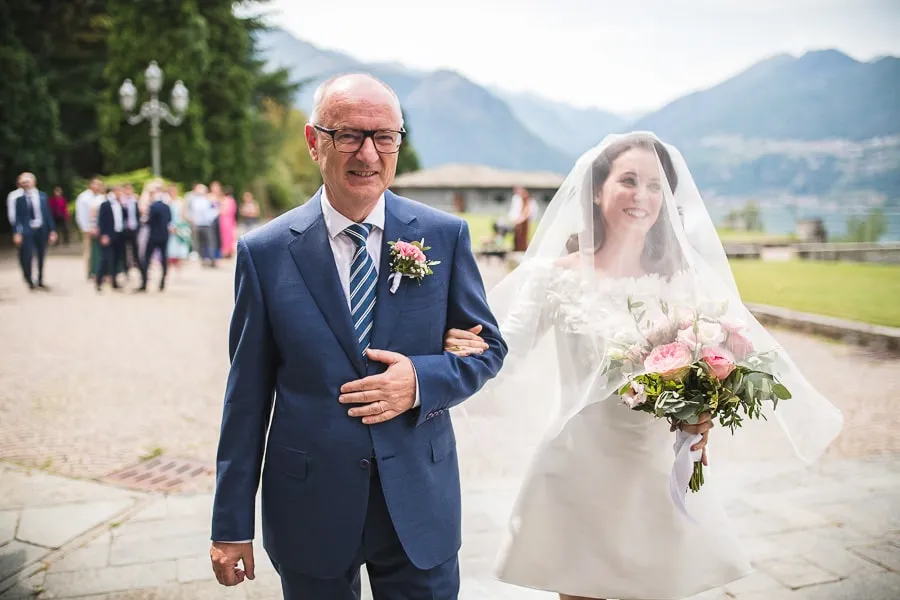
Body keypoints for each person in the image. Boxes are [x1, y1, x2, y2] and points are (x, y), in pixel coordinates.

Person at [443, 132, 844, 600]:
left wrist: (702, 413)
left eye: (656, 186)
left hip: (658, 471)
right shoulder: (553, 277)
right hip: (580, 469)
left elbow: (721, 362)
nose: (643, 196)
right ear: (597, 189)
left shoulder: (679, 282)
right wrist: (463, 350)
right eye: (629, 181)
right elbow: (504, 354)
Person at [209, 73, 507, 600]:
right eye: (348, 135)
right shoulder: (266, 253)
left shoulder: (444, 236)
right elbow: (247, 398)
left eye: (384, 136)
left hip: (420, 500)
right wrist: (231, 523)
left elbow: (488, 349)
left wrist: (420, 378)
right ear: (313, 142)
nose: (368, 153)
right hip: (309, 506)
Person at [9, 172, 57, 290]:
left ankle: (40, 279)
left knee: (41, 254)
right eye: (23, 182)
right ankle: (29, 279)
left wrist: (52, 230)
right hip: (27, 231)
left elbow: (47, 215)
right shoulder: (18, 199)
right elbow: (16, 218)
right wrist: (17, 232)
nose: (26, 184)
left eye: (28, 181)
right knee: (27, 256)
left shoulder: (42, 196)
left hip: (41, 229)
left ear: (33, 182)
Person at [137, 181, 172, 292]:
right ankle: (162, 282)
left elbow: (149, 221)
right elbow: (169, 220)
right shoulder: (166, 207)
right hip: (164, 236)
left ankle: (144, 282)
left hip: (153, 236)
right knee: (164, 259)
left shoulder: (153, 207)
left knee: (146, 259)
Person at [95, 185, 125, 291]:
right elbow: (101, 221)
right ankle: (99, 280)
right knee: (105, 258)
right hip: (108, 235)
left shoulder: (120, 204)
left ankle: (114, 281)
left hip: (119, 234)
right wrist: (103, 235)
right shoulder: (105, 205)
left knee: (117, 259)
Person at [75, 177, 105, 280]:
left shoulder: (101, 197)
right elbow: (81, 214)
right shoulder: (83, 197)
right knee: (88, 251)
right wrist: (87, 228)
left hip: (100, 228)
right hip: (88, 228)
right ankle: (89, 272)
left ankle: (98, 271)